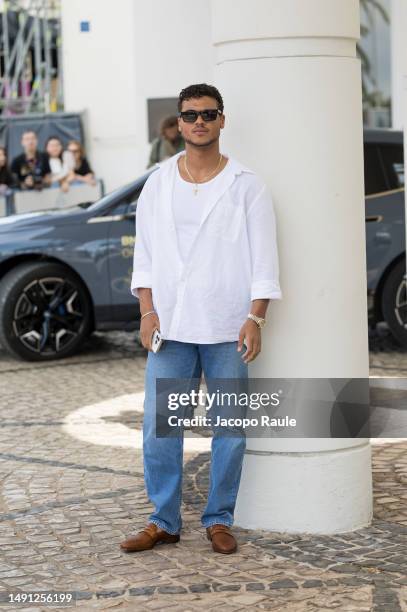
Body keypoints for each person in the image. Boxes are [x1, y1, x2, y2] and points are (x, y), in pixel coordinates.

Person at [121, 83, 282, 555]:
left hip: (227, 328)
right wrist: (147, 310)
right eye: (191, 114)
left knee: (229, 429)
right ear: (179, 121)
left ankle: (218, 518)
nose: (199, 122)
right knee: (160, 428)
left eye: (209, 114)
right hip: (170, 330)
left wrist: (257, 318)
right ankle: (164, 520)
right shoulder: (159, 182)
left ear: (222, 121)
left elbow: (264, 263)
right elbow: (145, 256)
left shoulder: (247, 184)